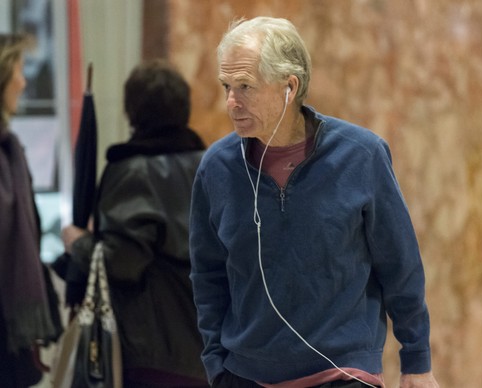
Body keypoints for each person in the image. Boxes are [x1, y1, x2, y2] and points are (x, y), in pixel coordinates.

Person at [189, 17, 439, 388]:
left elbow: (399, 264)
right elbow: (207, 275)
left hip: (343, 373)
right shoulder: (217, 168)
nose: (231, 102)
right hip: (245, 376)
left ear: (289, 87)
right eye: (227, 86)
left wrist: (416, 360)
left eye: (245, 87)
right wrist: (216, 364)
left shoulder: (361, 155)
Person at [61, 59, 209, 387]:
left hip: (153, 351)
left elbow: (123, 260)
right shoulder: (212, 169)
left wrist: (77, 242)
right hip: (209, 351)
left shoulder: (134, 172)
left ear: (133, 112)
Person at [0, 33, 62, 387]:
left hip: (13, 328)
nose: (24, 82)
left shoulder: (12, 149)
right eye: (19, 71)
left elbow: (30, 234)